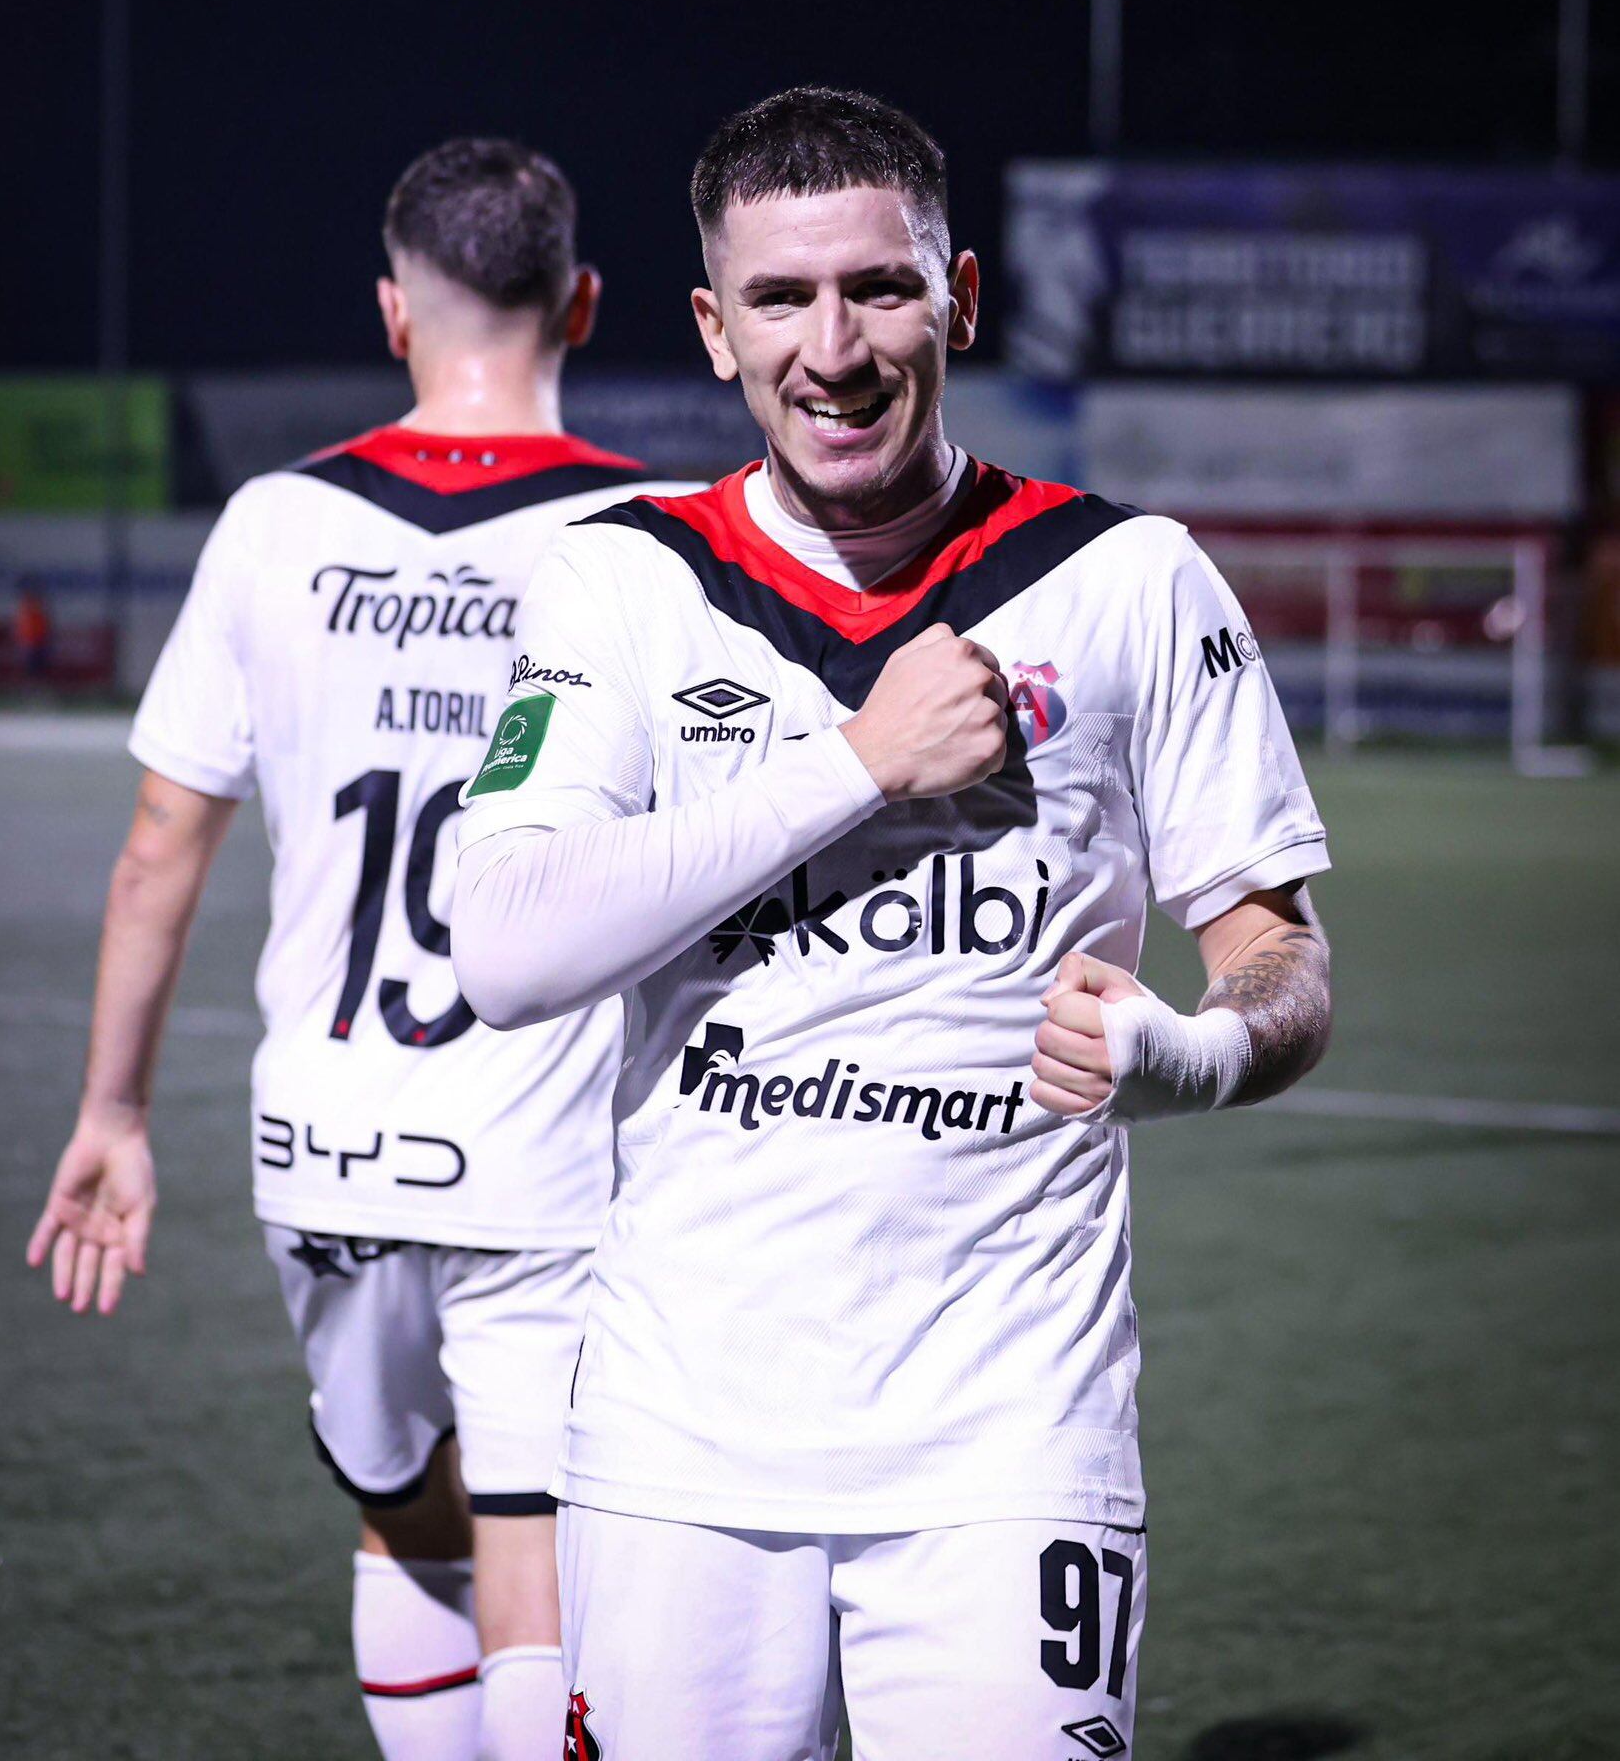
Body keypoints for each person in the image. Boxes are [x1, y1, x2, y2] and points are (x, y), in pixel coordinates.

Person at [450, 87, 1334, 1760]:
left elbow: (1281, 964)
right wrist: (855, 764)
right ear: (714, 331)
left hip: (1009, 1432)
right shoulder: (621, 579)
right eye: (780, 300)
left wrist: (1192, 1050)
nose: (833, 348)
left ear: (963, 299)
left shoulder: (1129, 576)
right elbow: (503, 949)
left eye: (880, 288)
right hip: (678, 1443)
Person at [27, 137, 684, 1761]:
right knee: (541, 1552)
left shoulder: (273, 526)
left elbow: (159, 850)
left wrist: (111, 1115)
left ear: (393, 313)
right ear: (585, 304)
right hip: (547, 1142)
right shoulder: (652, 534)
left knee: (406, 1511)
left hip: (326, 1140)